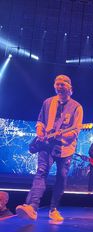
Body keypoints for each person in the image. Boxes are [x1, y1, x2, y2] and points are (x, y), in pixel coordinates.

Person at [16, 75, 83, 222]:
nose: (59, 87)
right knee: (41, 172)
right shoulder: (48, 102)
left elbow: (75, 131)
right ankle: (32, 207)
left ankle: (53, 209)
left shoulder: (77, 107)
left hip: (66, 148)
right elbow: (40, 120)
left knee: (61, 177)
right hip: (46, 145)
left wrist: (59, 136)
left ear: (70, 88)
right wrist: (40, 131)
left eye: (62, 85)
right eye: (57, 85)